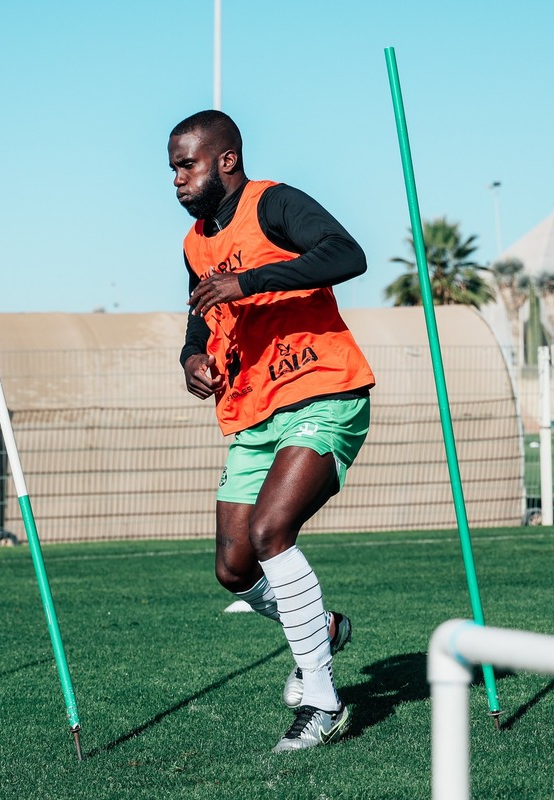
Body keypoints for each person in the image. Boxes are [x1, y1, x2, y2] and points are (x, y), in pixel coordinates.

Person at [168, 110, 375, 752]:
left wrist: (249, 280)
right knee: (234, 567)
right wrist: (192, 359)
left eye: (187, 164)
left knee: (269, 532)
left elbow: (347, 254)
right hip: (253, 411)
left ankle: (322, 701)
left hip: (322, 389)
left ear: (226, 160)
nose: (176, 179)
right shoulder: (195, 244)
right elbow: (200, 318)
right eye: (172, 168)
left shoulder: (274, 204)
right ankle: (323, 628)